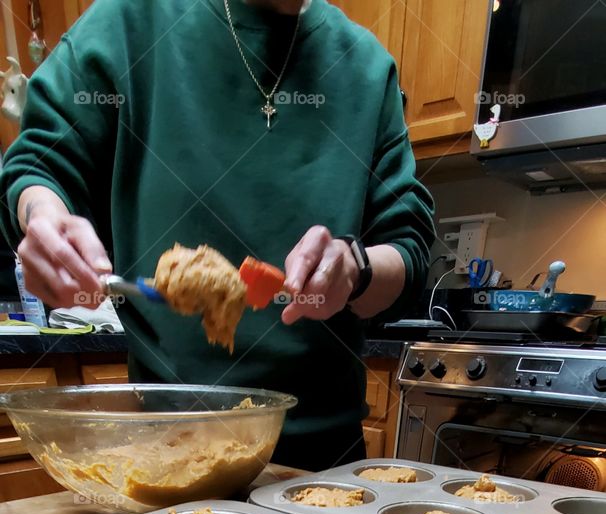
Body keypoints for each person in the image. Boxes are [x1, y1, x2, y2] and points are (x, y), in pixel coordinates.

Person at [0, 0, 435, 470]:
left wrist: (355, 268)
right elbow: (40, 163)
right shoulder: (128, 23)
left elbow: (408, 248)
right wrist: (43, 214)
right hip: (170, 443)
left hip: (326, 456)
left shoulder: (366, 67)